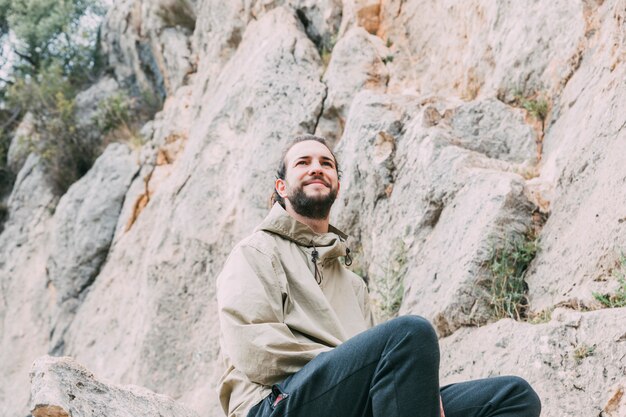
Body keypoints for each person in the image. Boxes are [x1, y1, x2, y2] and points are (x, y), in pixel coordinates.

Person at [216, 134, 542, 417]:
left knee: (512, 397)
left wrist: (405, 393)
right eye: (303, 162)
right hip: (273, 406)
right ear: (281, 187)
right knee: (409, 334)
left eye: (326, 164)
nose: (316, 167)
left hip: (348, 403)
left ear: (337, 185)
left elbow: (383, 372)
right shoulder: (257, 251)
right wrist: (354, 368)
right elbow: (253, 350)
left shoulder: (352, 284)